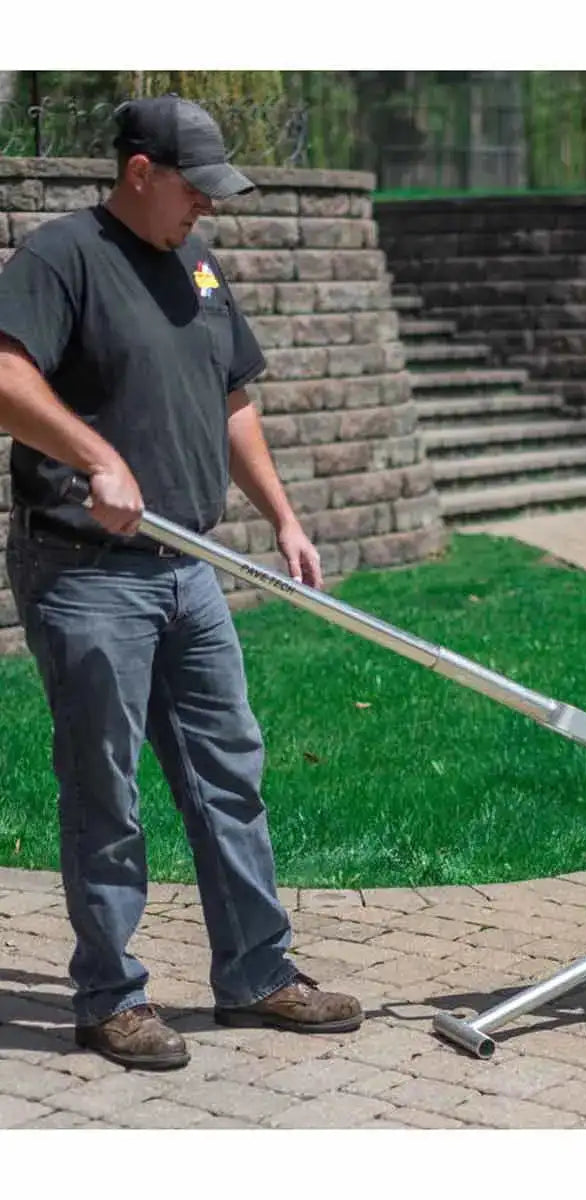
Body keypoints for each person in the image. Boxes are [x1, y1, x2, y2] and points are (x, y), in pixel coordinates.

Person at [0, 95, 362, 1070]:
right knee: (106, 788)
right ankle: (110, 997)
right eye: (194, 186)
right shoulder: (61, 259)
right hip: (86, 572)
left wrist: (283, 515)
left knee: (228, 774)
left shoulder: (197, 266)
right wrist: (94, 456)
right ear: (139, 171)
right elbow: (5, 379)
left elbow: (231, 399)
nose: (207, 203)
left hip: (187, 570)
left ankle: (257, 973)